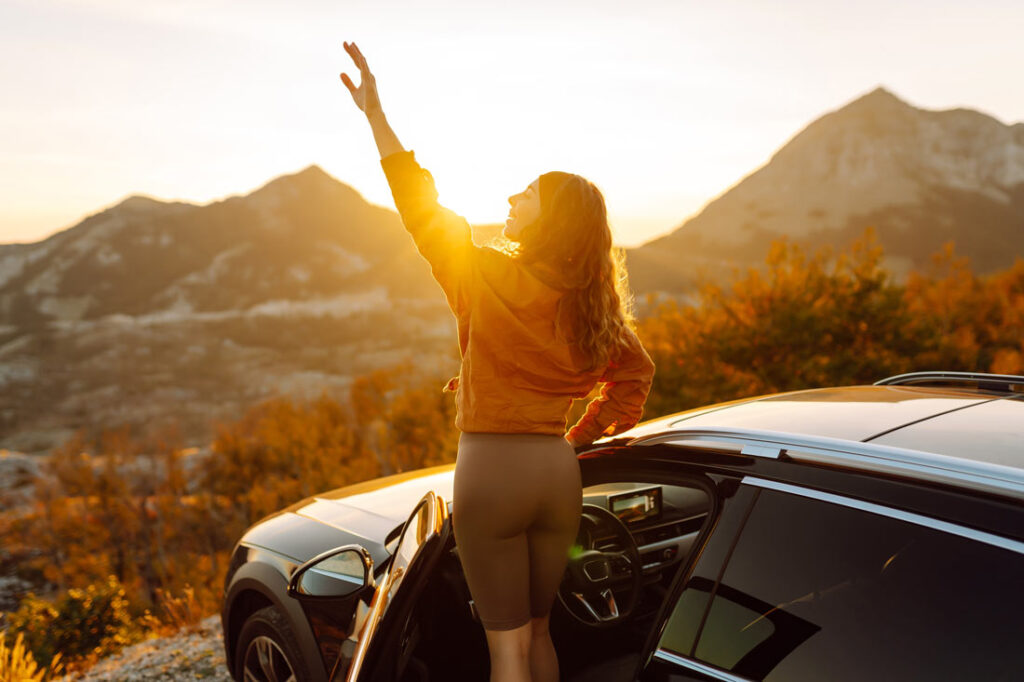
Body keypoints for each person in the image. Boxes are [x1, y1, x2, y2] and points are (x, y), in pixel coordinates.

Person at [339, 41, 655, 682]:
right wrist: (578, 437)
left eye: (529, 193)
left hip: (492, 471)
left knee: (505, 648)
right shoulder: (595, 307)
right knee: (540, 633)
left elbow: (417, 202)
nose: (512, 196)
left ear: (554, 219)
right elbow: (634, 376)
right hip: (557, 472)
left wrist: (376, 117)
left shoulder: (481, 275)